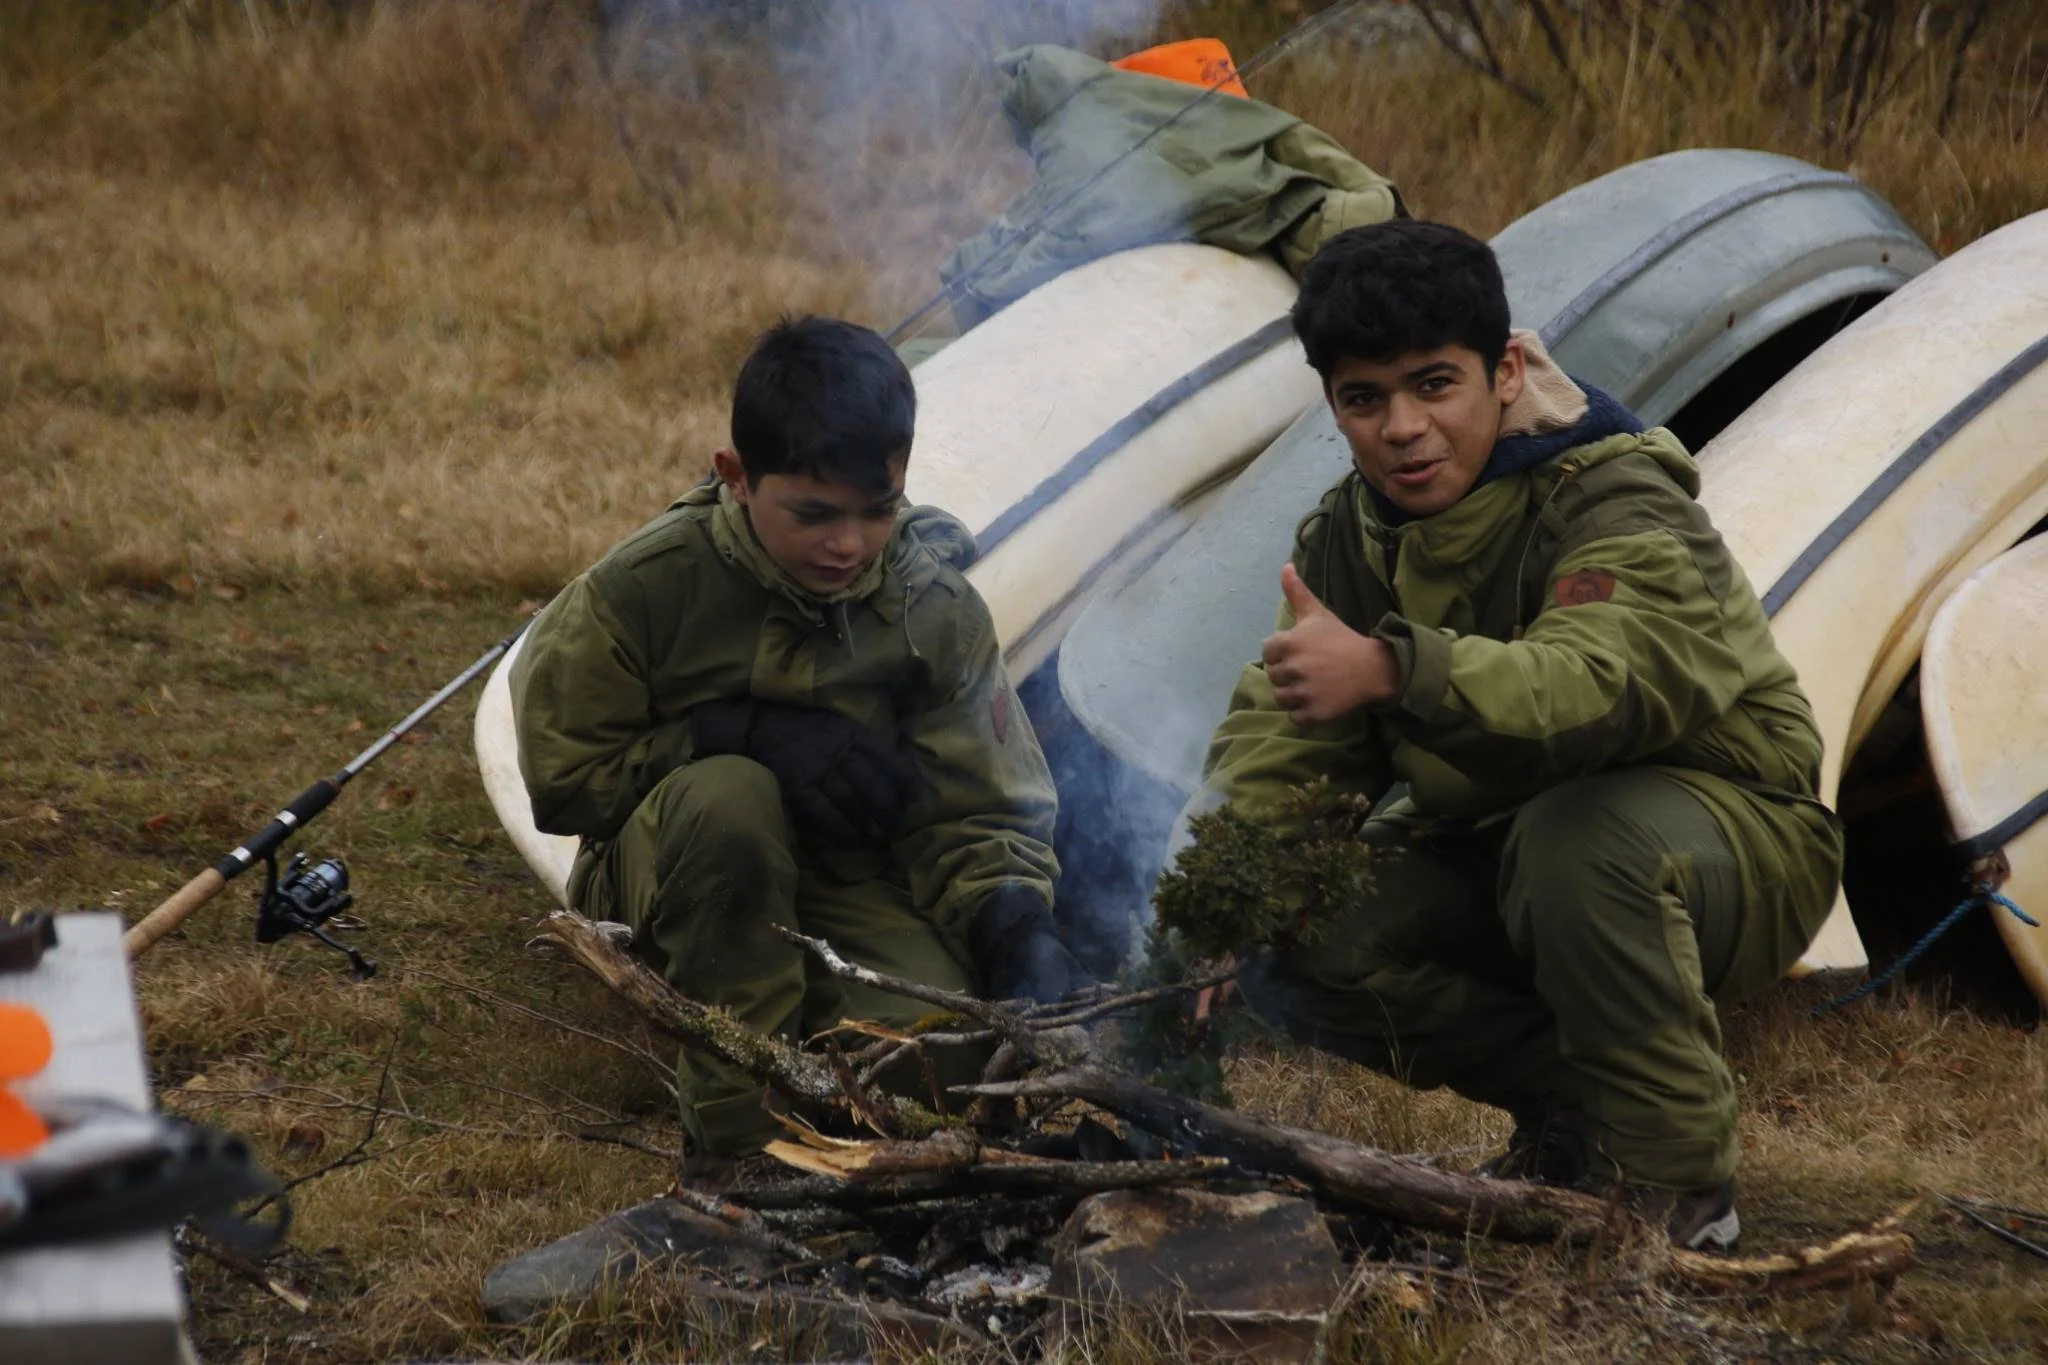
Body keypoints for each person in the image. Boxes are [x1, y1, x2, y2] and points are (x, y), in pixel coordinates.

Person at [1196, 220, 1843, 1251]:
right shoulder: (1351, 534)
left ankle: (1679, 1191)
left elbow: (1600, 686)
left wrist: (1394, 669)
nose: (1401, 428)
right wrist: (1213, 904)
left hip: (1734, 843)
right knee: (1303, 919)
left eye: (1433, 384)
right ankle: (1576, 1109)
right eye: (1363, 399)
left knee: (1577, 841)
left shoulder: (1611, 494)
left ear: (1504, 371)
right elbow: (1288, 743)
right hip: (1512, 849)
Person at [510, 316, 1076, 1161]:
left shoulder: (932, 610)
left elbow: (978, 812)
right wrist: (730, 733)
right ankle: (739, 1145)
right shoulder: (642, 588)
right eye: (814, 513)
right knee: (731, 798)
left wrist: (1013, 922)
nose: (847, 544)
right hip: (667, 868)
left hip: (844, 878)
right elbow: (565, 783)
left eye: (877, 511)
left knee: (943, 1061)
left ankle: (815, 1045)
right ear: (736, 476)